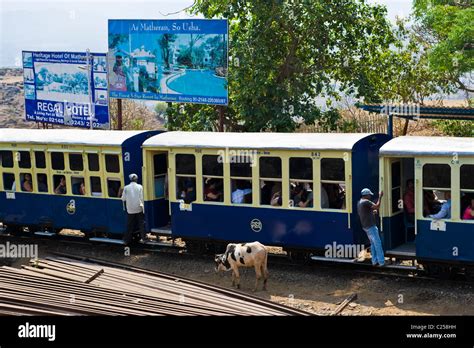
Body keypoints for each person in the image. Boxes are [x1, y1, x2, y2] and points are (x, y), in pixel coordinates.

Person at [357, 188, 385, 266]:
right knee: (377, 244)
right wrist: (380, 197)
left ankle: (374, 261)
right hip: (371, 226)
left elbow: (365, 212)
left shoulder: (360, 202)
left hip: (365, 226)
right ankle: (381, 262)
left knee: (372, 244)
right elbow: (377, 206)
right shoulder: (366, 202)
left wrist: (372, 212)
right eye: (369, 195)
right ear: (366, 195)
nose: (370, 196)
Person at [121, 173, 146, 245]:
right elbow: (142, 197)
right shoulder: (140, 187)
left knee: (129, 225)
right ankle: (143, 238)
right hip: (139, 208)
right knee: (141, 224)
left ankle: (127, 240)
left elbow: (123, 199)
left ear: (130, 179)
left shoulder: (126, 188)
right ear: (136, 179)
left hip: (130, 209)